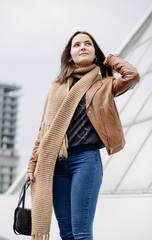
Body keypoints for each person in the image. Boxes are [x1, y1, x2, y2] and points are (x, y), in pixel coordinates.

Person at [25, 31, 140, 240]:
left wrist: (111, 60)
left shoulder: (104, 84)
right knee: (66, 233)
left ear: (95, 52)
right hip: (56, 164)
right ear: (70, 55)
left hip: (86, 161)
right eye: (77, 45)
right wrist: (32, 165)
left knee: (82, 233)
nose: (82, 47)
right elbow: (43, 130)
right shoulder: (56, 87)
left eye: (88, 43)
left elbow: (132, 76)